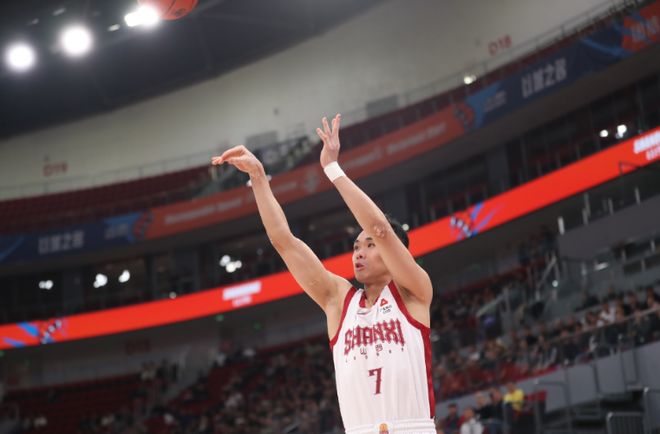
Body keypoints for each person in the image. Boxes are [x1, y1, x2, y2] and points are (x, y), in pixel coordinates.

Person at [212, 114, 435, 434]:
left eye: (369, 246)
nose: (359, 253)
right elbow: (284, 242)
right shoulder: (338, 301)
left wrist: (332, 168)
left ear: (395, 252)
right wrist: (258, 178)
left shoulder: (414, 292)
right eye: (356, 246)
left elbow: (380, 228)